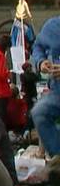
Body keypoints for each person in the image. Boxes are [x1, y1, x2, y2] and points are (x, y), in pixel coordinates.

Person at [32, 16, 60, 155]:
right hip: (57, 90)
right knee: (39, 112)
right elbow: (38, 47)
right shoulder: (52, 25)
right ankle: (58, 157)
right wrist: (41, 62)